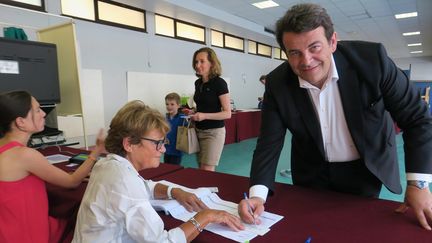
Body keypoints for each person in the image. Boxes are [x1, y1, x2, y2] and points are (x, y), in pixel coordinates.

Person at [238, 3, 432, 230]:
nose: (306, 61)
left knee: (358, 229)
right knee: (311, 227)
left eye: (314, 47)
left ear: (332, 42)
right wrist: (258, 195)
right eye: (295, 53)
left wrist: (419, 184)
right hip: (311, 170)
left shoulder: (373, 61)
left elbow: (417, 119)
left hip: (364, 167)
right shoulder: (278, 84)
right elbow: (268, 144)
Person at [73, 100, 244, 242]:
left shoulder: (108, 164)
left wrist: (175, 191)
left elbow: (145, 187)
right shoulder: (124, 181)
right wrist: (205, 217)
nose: (162, 150)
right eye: (158, 143)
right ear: (129, 144)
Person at [0, 90, 105, 242]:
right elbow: (72, 181)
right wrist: (97, 151)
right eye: (37, 110)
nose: (43, 114)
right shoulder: (25, 155)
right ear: (20, 122)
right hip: (26, 234)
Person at [190, 47, 231, 171]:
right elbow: (203, 105)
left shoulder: (219, 83)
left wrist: (204, 115)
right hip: (198, 131)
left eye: (202, 61)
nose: (198, 65)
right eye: (196, 62)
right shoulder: (198, 83)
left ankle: (210, 191)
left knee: (206, 170)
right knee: (201, 167)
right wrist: (194, 112)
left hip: (213, 133)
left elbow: (227, 113)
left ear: (211, 63)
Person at [164, 92, 184, 165]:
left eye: (172, 104)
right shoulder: (166, 118)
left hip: (176, 151)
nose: (169, 106)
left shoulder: (182, 118)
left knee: (174, 170)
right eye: (167, 104)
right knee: (166, 168)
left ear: (178, 105)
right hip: (166, 150)